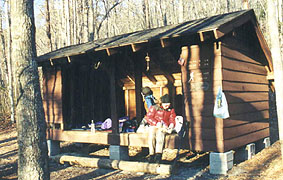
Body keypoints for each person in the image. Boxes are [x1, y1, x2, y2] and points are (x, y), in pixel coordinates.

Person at [145, 94, 176, 163]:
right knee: (152, 134)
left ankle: (158, 155)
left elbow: (172, 118)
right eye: (165, 103)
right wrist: (156, 123)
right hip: (154, 125)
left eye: (168, 103)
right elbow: (148, 117)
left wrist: (171, 124)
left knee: (160, 134)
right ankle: (151, 154)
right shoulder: (154, 108)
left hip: (164, 127)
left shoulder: (171, 110)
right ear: (161, 103)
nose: (167, 105)